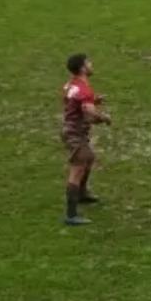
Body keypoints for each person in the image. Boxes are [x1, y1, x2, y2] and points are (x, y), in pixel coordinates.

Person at [60, 53, 111, 226]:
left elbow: (75, 101)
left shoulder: (71, 84)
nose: (91, 65)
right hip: (76, 133)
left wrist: (94, 100)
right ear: (82, 68)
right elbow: (89, 112)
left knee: (88, 159)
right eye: (89, 62)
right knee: (77, 169)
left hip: (71, 130)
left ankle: (82, 194)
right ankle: (71, 214)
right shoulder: (84, 89)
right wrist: (103, 118)